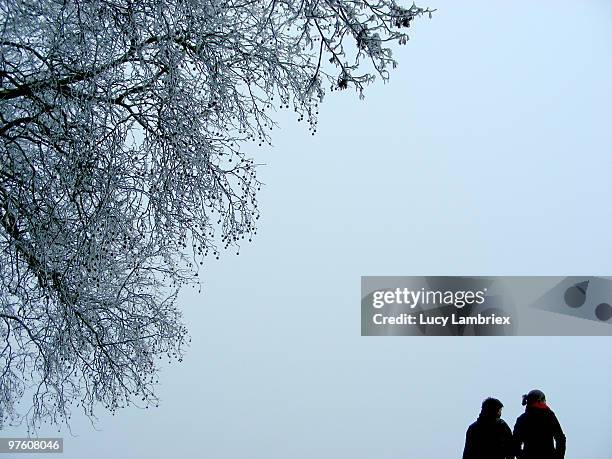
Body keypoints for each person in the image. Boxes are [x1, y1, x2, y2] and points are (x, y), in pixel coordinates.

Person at [513, 389, 566, 459]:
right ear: (539, 401)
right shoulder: (549, 416)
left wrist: (521, 456)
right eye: (545, 401)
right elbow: (560, 438)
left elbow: (515, 442)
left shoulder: (522, 419)